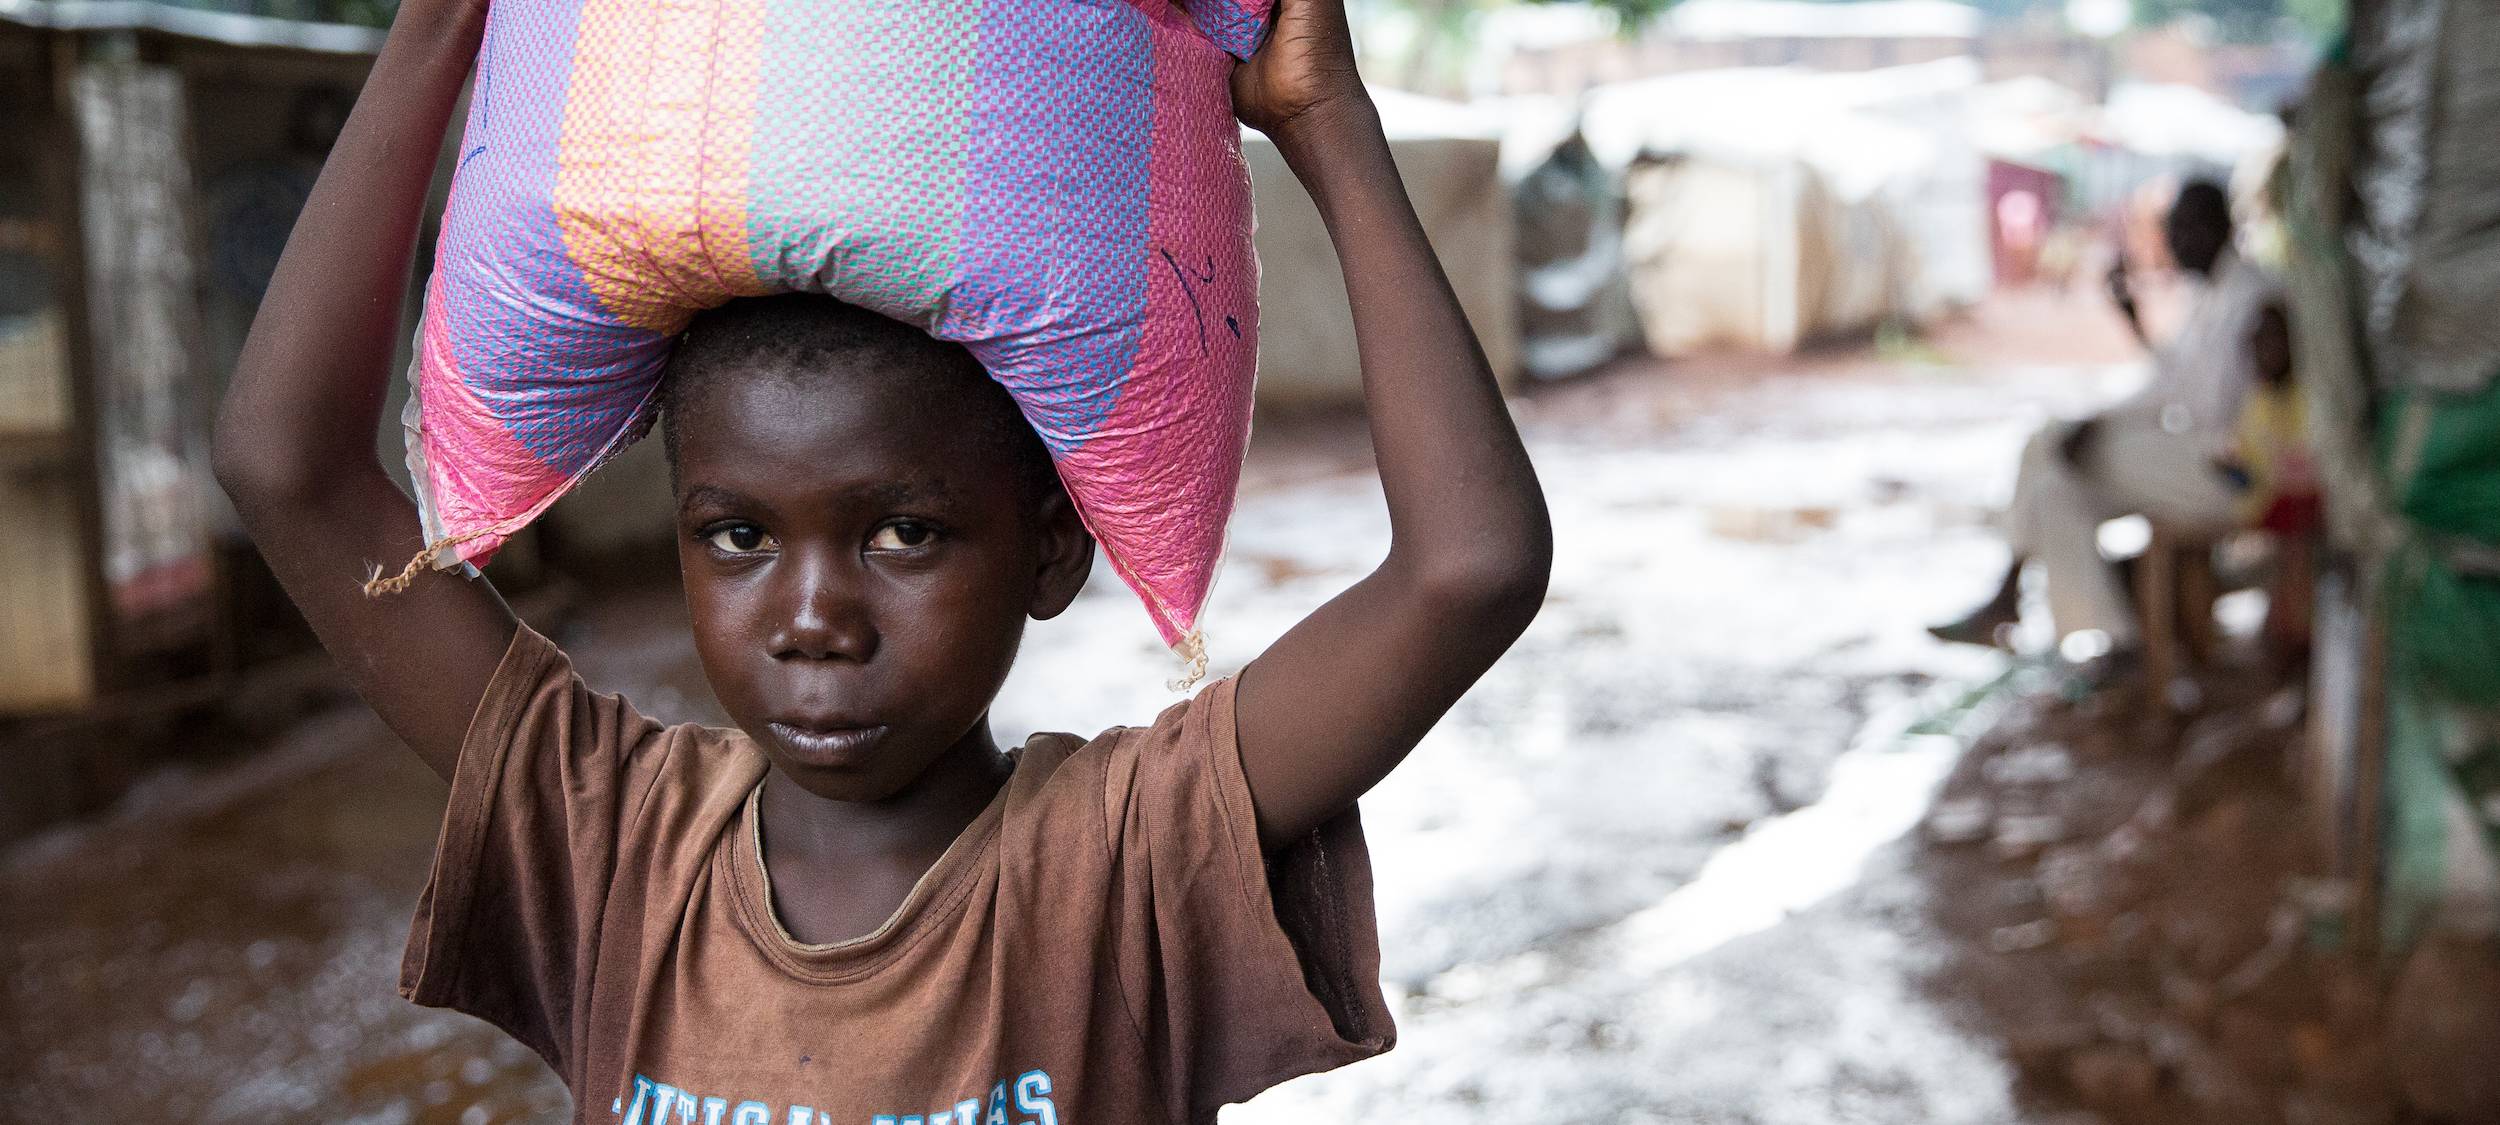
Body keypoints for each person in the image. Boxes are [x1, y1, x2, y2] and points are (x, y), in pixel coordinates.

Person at [210, 0, 1552, 1120]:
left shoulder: (1127, 857)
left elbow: (1468, 568)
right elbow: (287, 467)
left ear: (1050, 550)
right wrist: (439, 29)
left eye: (904, 533)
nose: (814, 617)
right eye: (738, 536)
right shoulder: (611, 841)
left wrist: (1324, 121)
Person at [1931, 180, 2281, 662]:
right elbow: (2175, 380)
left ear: (2223, 226)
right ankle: (2114, 640)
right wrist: (2132, 322)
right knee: (2052, 493)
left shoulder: (2248, 294)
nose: (2177, 241)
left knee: (2052, 442)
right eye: (2172, 229)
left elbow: (2194, 401)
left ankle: (2006, 591)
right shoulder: (2208, 294)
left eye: (2187, 227)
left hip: (2232, 471)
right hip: (2196, 455)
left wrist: (2100, 422)